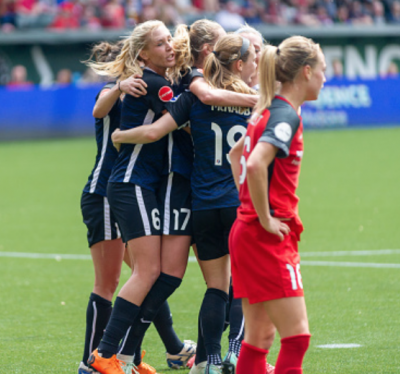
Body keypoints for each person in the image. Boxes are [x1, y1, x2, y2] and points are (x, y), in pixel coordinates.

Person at [112, 33, 258, 374]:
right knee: (243, 285)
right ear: (238, 64)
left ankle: (209, 362)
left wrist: (120, 134)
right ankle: (235, 355)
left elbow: (153, 132)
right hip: (238, 204)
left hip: (203, 205)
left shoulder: (192, 100)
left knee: (216, 288)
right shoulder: (251, 99)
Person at [86, 20, 186, 374]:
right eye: (161, 44)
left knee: (148, 272)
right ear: (143, 52)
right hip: (131, 184)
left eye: (170, 40)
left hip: (137, 185)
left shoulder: (156, 81)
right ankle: (105, 355)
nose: (170, 47)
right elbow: (183, 122)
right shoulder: (154, 84)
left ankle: (126, 355)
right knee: (144, 272)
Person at [227, 36, 326, 374]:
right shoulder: (285, 115)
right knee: (296, 338)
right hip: (265, 237)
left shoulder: (266, 112)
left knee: (259, 337)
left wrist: (250, 206)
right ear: (307, 71)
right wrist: (265, 217)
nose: (325, 79)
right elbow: (253, 164)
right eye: (322, 71)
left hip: (246, 231)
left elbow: (235, 154)